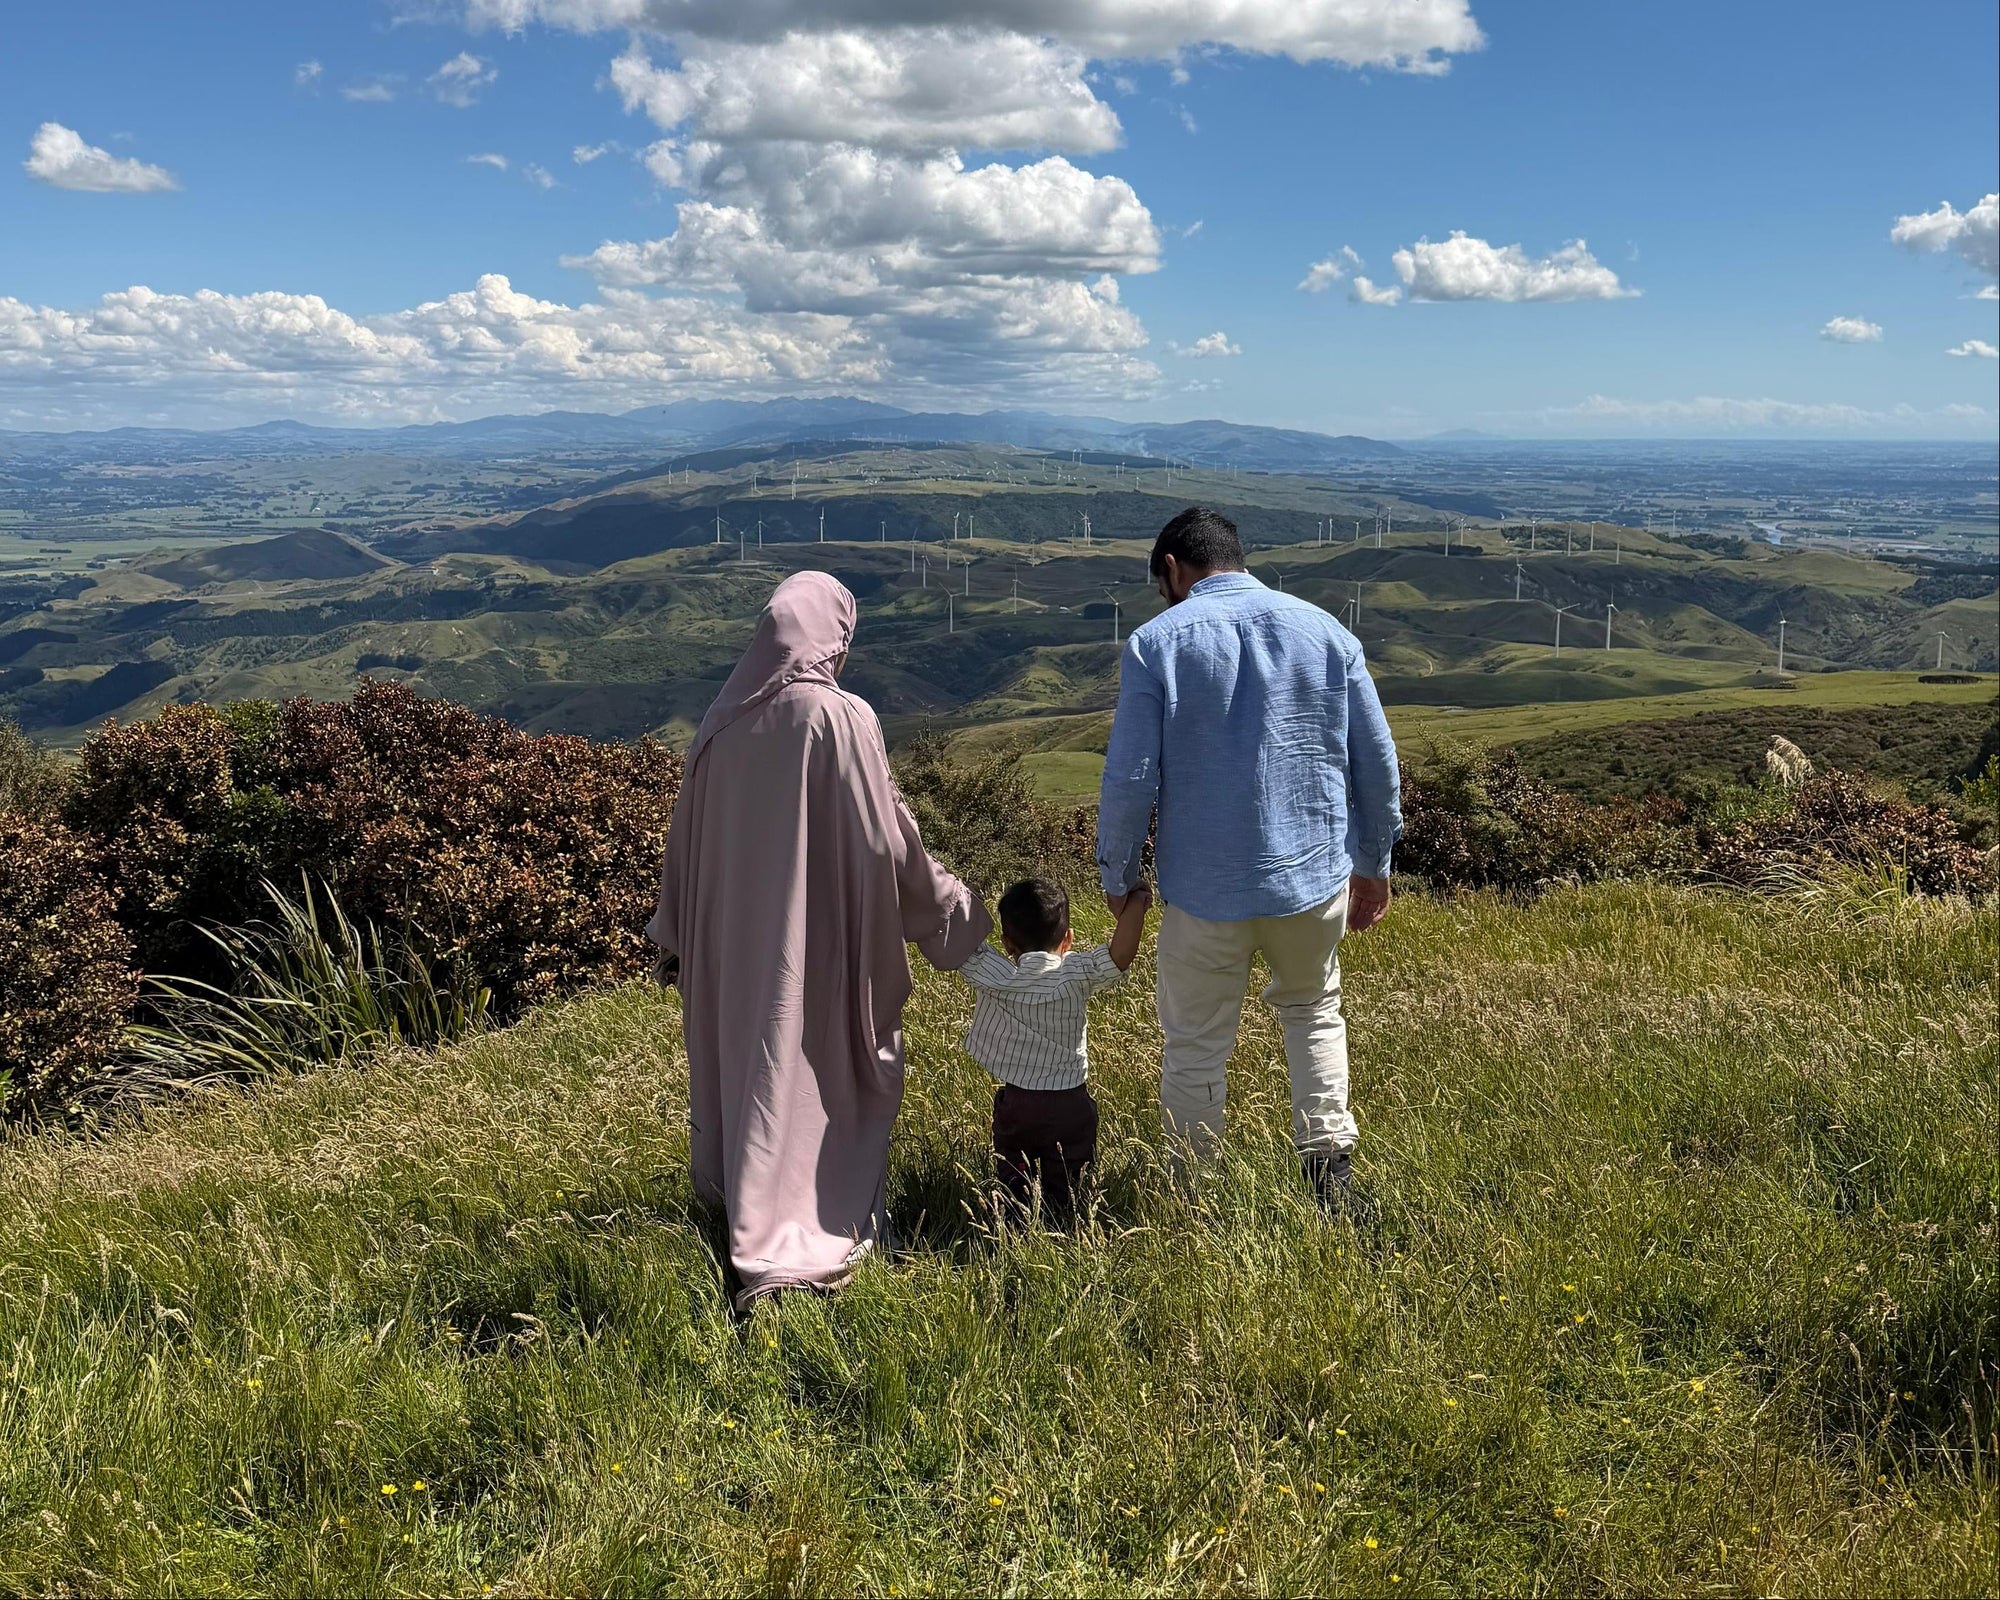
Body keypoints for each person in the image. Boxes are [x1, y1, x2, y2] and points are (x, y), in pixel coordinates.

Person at [648, 571, 991, 1311]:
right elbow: (884, 836)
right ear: (836, 634)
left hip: (730, 946)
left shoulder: (719, 723)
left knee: (749, 1069)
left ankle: (739, 1204)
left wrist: (676, 933)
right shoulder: (838, 718)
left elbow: (685, 843)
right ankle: (800, 1235)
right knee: (813, 1076)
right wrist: (952, 913)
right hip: (823, 940)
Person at [1096, 507, 1402, 1212]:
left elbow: (1130, 777)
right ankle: (1330, 1177)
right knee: (1313, 1010)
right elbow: (1376, 764)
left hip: (1202, 888)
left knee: (1196, 1042)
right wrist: (1373, 862)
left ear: (1173, 568)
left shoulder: (1154, 644)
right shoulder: (1326, 631)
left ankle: (1193, 1192)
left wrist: (1118, 876)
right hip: (1312, 874)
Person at [959, 876, 1153, 1222]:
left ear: (1007, 942)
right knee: (1070, 1179)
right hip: (1069, 1103)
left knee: (1013, 1174)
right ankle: (1067, 1224)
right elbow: (1119, 956)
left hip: (1018, 1102)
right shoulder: (1075, 973)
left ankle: (1015, 1222)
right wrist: (1135, 902)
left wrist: (961, 895)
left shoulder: (998, 976)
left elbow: (961, 946)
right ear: (1068, 939)